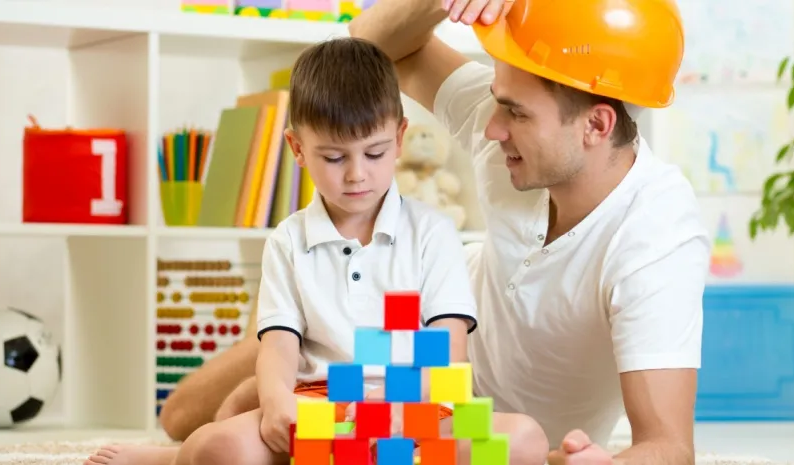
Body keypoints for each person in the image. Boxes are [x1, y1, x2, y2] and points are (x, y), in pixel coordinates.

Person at [83, 37, 506, 465]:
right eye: (334, 157)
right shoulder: (289, 240)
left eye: (374, 153)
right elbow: (278, 347)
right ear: (298, 148)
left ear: (399, 139)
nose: (357, 175)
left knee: (521, 439)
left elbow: (448, 350)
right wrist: (276, 401)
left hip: (417, 406)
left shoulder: (433, 233)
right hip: (322, 404)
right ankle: (171, 460)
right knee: (216, 446)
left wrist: (396, 407)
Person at [348, 0, 709, 463]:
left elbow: (669, 447)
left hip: (506, 440)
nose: (494, 128)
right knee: (270, 364)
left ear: (596, 125)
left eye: (516, 113)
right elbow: (369, 43)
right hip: (424, 344)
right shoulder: (515, 126)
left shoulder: (657, 234)